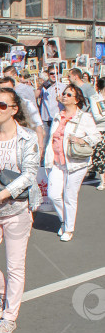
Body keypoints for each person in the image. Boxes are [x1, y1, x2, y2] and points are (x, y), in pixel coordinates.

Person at [0, 88, 41, 333]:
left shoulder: (27, 137)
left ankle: (10, 315)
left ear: (14, 109)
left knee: (15, 267)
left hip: (16, 210)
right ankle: (4, 296)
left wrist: (2, 195)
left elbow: (29, 175)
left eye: (2, 105)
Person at [44, 84, 100, 242]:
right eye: (64, 94)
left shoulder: (84, 117)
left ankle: (69, 228)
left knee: (70, 196)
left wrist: (82, 139)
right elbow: (52, 139)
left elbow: (96, 136)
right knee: (53, 195)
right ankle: (63, 220)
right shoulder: (57, 115)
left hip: (76, 163)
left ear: (76, 100)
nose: (64, 96)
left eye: (69, 94)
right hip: (56, 162)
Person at [88, 77, 105, 190]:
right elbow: (97, 117)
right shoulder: (95, 98)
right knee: (101, 157)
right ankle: (103, 181)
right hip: (100, 130)